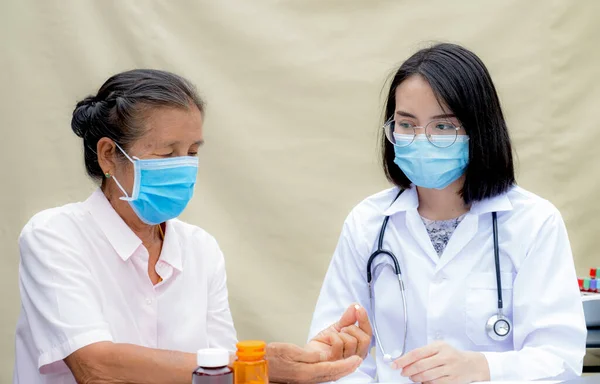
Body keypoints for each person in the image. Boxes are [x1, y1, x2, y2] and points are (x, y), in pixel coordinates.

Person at [14, 69, 372, 384]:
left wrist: (307, 360)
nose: (184, 166)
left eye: (192, 152)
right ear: (108, 155)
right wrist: (254, 365)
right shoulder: (54, 236)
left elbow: (221, 378)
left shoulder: (200, 249)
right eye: (168, 154)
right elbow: (95, 366)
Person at [308, 43, 587, 383]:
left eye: (442, 127)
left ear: (479, 131)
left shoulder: (533, 223)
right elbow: (335, 356)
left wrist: (482, 368)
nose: (421, 139)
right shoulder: (368, 223)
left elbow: (560, 359)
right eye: (406, 125)